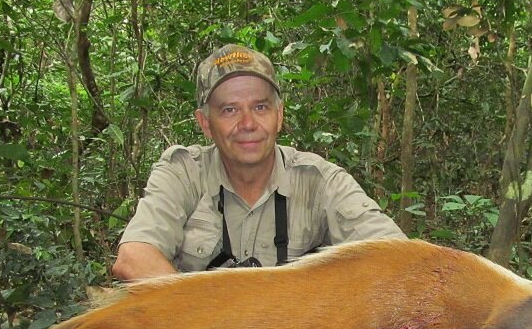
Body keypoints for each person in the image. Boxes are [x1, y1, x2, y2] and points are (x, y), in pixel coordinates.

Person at [112, 44, 404, 280]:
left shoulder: (318, 181)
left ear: (279, 116)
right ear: (205, 123)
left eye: (260, 107)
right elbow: (134, 258)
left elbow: (400, 259)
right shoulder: (184, 173)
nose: (248, 123)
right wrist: (218, 326)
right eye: (229, 110)